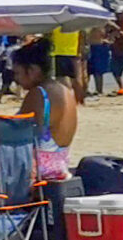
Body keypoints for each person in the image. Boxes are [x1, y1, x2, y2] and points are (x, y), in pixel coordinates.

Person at [11, 38, 77, 181]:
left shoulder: (38, 94)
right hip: (60, 164)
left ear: (33, 70)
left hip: (39, 170)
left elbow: (16, 131)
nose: (16, 79)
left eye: (18, 73)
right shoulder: (65, 90)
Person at [50, 28, 85, 104]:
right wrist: (80, 51)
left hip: (60, 52)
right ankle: (79, 100)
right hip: (73, 52)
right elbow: (81, 38)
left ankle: (68, 99)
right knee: (76, 78)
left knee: (62, 78)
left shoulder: (56, 26)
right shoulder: (75, 26)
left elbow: (49, 37)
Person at [85, 26, 111, 96]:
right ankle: (85, 89)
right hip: (90, 46)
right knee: (87, 70)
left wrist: (108, 38)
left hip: (98, 46)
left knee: (98, 71)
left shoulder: (101, 20)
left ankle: (99, 90)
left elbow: (116, 28)